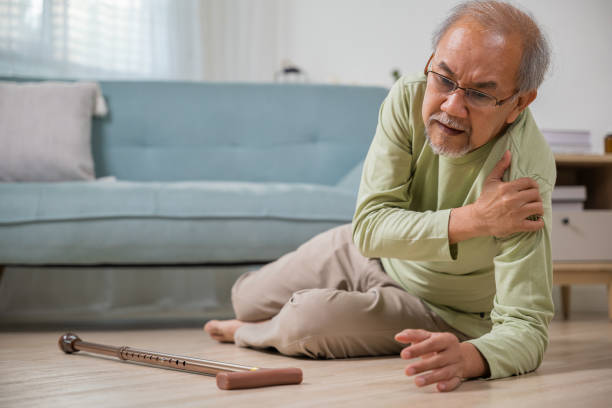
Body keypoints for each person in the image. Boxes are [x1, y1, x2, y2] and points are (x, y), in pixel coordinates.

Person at [205, 0, 555, 393]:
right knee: (245, 298)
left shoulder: (525, 175)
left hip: (445, 310)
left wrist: (472, 358)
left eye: (478, 94)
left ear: (519, 103)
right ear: (431, 62)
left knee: (304, 322)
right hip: (371, 253)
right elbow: (369, 229)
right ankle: (253, 321)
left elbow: (527, 324)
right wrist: (475, 219)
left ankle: (250, 334)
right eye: (444, 79)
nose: (451, 106)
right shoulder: (407, 98)